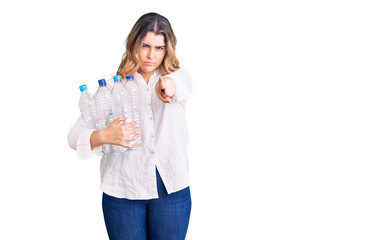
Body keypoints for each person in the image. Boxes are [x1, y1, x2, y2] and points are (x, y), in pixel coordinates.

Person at [68, 12, 192, 240]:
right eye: (145, 45)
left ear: (167, 49)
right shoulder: (111, 90)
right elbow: (74, 136)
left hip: (172, 191)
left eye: (159, 48)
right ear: (134, 43)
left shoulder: (178, 77)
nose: (151, 55)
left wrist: (168, 87)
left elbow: (178, 85)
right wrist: (104, 135)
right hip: (122, 193)